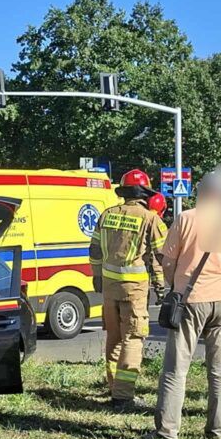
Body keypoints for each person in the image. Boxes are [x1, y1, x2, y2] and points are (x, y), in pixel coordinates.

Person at [149, 173, 221, 439]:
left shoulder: (186, 219)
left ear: (203, 192)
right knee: (220, 370)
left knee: (176, 368)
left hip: (190, 300)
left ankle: (167, 432)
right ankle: (217, 432)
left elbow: (167, 262)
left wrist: (175, 284)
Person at [88, 169, 166, 408]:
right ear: (144, 193)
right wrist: (162, 287)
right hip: (134, 291)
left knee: (114, 338)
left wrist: (97, 275)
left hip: (110, 289)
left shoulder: (107, 215)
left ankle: (113, 387)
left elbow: (94, 250)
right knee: (133, 338)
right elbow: (160, 256)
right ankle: (123, 396)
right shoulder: (151, 219)